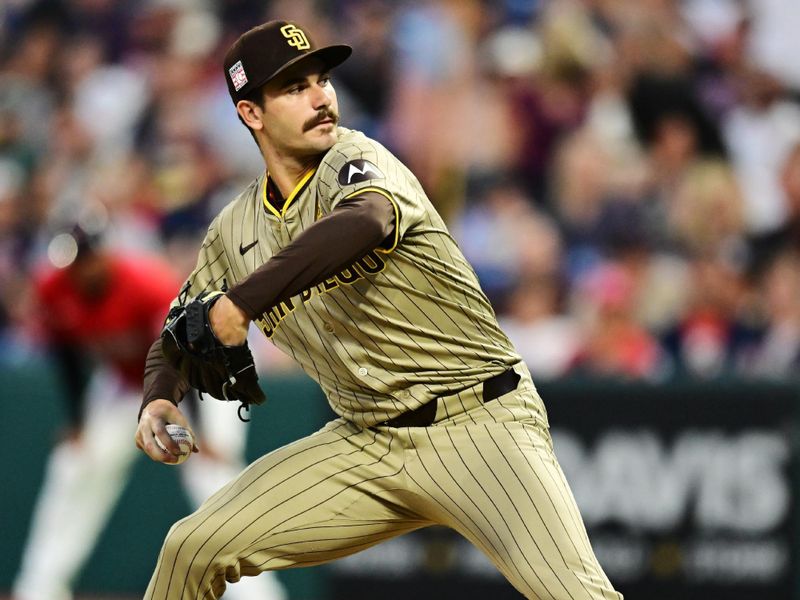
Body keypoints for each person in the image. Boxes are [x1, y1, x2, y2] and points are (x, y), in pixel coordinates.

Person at [135, 20, 623, 600]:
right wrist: (159, 396)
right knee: (191, 547)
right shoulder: (234, 229)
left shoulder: (357, 158)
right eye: (294, 88)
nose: (321, 97)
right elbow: (180, 326)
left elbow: (370, 220)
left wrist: (239, 304)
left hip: (478, 423)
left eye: (321, 79)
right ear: (251, 114)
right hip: (364, 443)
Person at [13, 220, 286, 600]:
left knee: (211, 478)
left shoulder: (146, 282)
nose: (82, 269)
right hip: (127, 385)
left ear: (106, 253)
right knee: (74, 464)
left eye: (88, 258)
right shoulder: (55, 287)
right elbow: (67, 354)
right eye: (74, 262)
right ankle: (39, 589)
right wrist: (78, 422)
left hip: (202, 379)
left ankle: (258, 596)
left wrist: (202, 435)